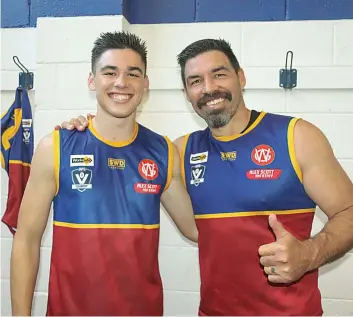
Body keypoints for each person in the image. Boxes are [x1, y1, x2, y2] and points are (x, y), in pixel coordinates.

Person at [58, 38, 353, 316]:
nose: (209, 88)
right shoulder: (180, 152)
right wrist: (83, 132)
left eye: (219, 74)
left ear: (241, 77)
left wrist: (310, 254)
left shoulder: (295, 136)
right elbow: (123, 159)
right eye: (195, 81)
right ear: (187, 94)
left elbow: (348, 211)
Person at [10, 31, 198, 316]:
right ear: (92, 80)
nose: (121, 82)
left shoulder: (163, 151)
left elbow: (197, 229)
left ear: (145, 84)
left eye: (132, 74)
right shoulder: (57, 147)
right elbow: (25, 240)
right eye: (110, 72)